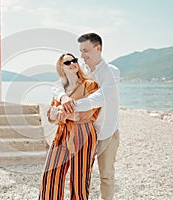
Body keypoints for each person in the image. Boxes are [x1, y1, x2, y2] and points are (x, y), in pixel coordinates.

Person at [53, 33, 120, 200]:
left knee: (106, 175)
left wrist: (68, 108)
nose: (82, 56)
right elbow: (58, 84)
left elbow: (99, 99)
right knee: (82, 175)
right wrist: (63, 97)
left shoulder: (111, 72)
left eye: (86, 51)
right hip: (85, 132)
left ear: (98, 48)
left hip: (106, 132)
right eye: (80, 51)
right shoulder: (83, 69)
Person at [38, 53, 100, 200]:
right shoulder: (59, 91)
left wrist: (63, 113)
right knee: (50, 175)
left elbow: (90, 113)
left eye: (74, 60)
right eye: (67, 63)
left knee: (79, 180)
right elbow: (50, 116)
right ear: (61, 68)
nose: (72, 63)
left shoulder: (90, 85)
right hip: (62, 133)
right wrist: (61, 113)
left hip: (84, 133)